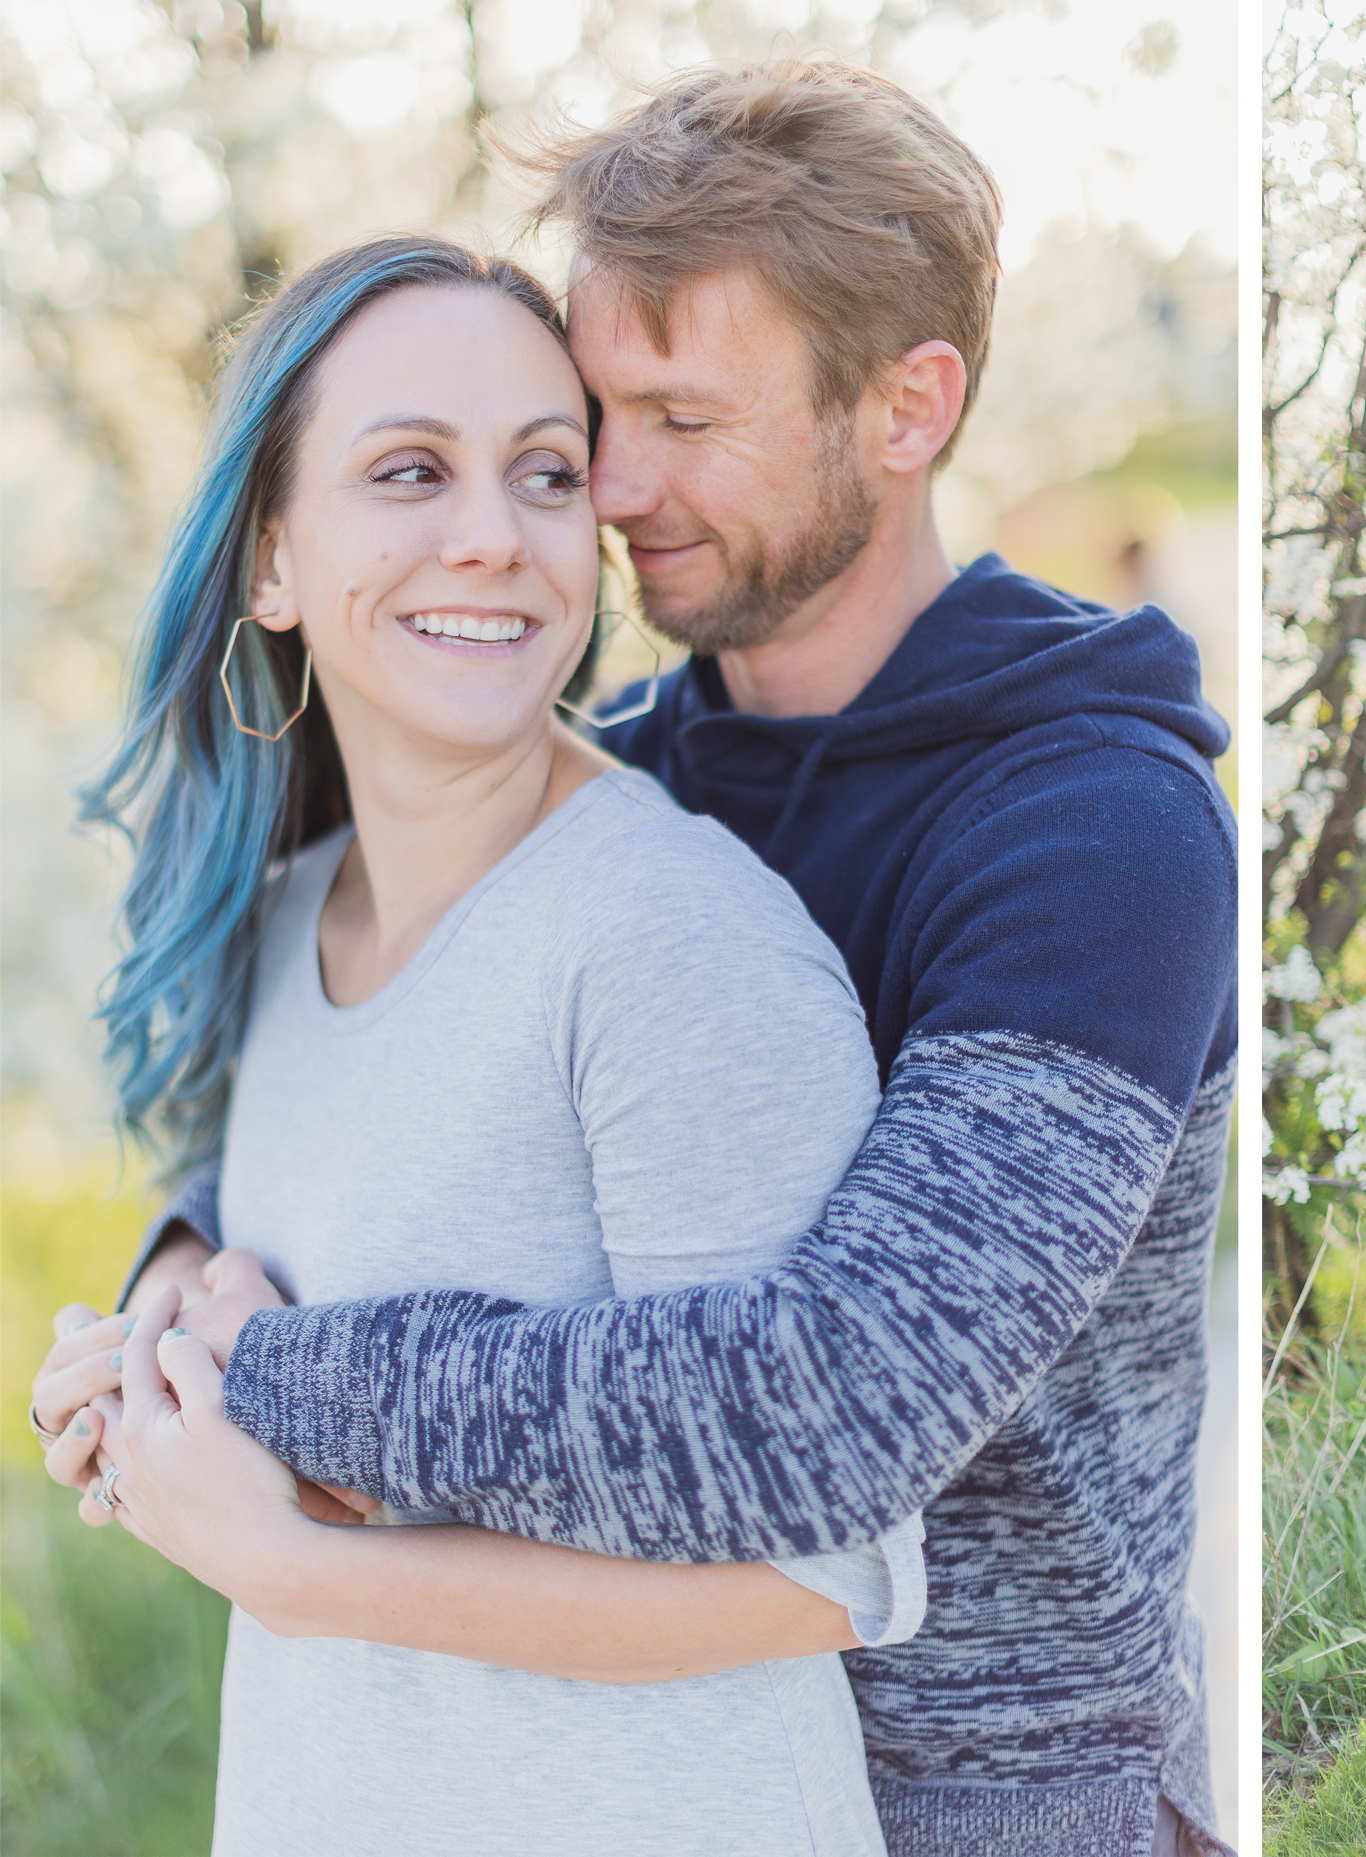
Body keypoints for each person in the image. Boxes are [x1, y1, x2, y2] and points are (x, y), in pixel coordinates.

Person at [41, 62, 1236, 1857]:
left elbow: (829, 1406)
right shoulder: (634, 755)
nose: (608, 486)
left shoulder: (1091, 832)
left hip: (994, 1801)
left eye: (680, 417)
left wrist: (255, 1402)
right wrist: (174, 1283)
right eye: (599, 414)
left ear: (908, 408)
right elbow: (378, 1113)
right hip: (626, 1760)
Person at [34, 233, 921, 1854]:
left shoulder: (670, 942)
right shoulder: (285, 916)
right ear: (272, 563)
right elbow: (266, 1267)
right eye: (407, 471)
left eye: (540, 471)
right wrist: (149, 1350)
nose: (491, 537)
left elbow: (831, 1572)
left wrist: (296, 1569)